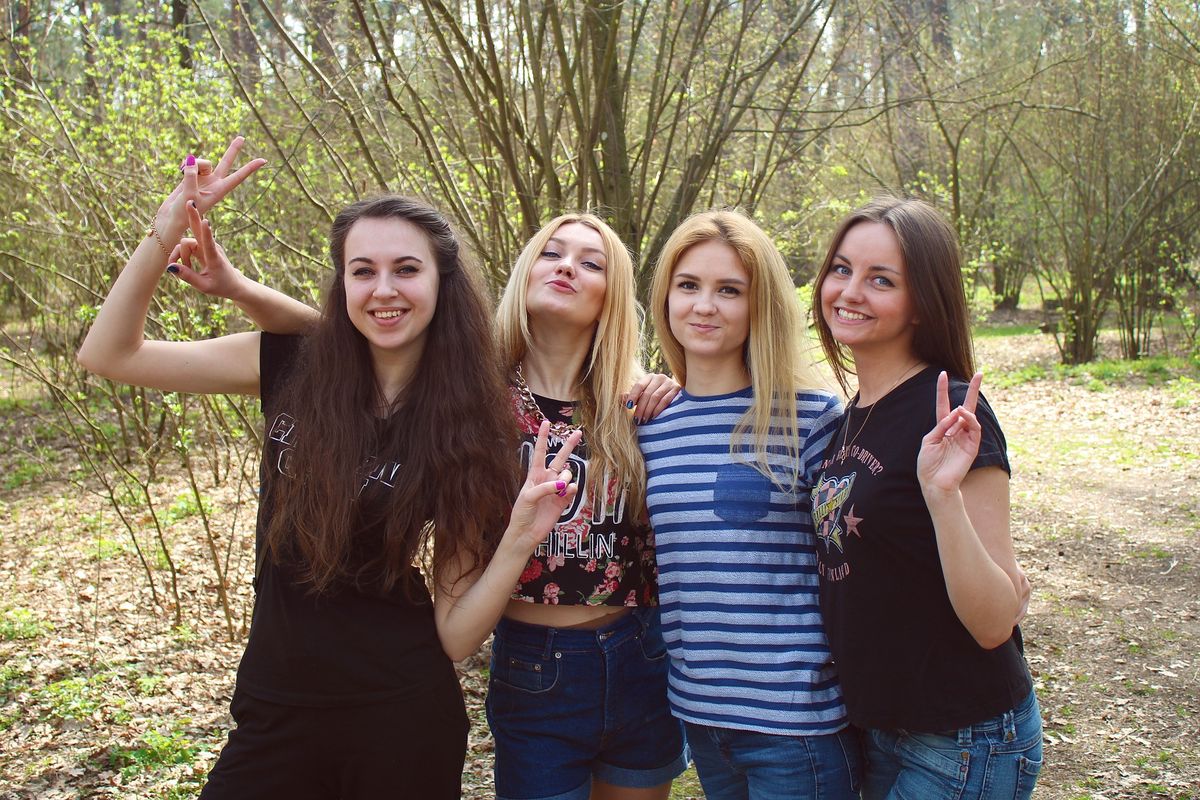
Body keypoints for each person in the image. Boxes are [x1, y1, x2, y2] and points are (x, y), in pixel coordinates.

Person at [75, 138, 579, 799]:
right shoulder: (292, 367)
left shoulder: (466, 425)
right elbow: (110, 354)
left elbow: (455, 636)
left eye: (407, 269)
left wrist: (517, 540)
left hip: (401, 717)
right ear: (342, 283)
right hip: (274, 707)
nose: (384, 289)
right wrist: (166, 229)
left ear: (441, 282)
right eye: (362, 271)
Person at [172, 208, 688, 800]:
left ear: (613, 292)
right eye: (551, 253)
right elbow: (350, 337)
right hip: (534, 661)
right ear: (525, 271)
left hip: (638, 650)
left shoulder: (637, 403)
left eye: (591, 263)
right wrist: (240, 289)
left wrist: (669, 387)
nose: (567, 267)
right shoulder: (469, 394)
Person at [808, 196, 1041, 799]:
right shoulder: (852, 415)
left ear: (922, 303)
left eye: (881, 279)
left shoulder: (953, 413)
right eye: (842, 269)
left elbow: (995, 622)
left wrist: (942, 496)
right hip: (880, 728)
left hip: (962, 736)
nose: (850, 291)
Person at [638, 209, 861, 799]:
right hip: (701, 716)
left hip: (796, 722)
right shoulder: (648, 427)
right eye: (688, 285)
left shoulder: (810, 419)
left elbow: (853, 566)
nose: (704, 306)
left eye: (729, 290)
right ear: (665, 298)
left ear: (760, 305)